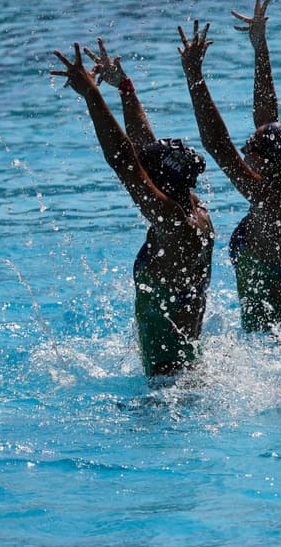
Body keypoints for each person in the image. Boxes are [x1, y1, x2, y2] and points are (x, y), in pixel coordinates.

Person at [52, 41, 214, 376]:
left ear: (160, 182)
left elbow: (124, 161)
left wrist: (92, 95)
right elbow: (143, 150)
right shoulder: (191, 207)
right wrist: (124, 88)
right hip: (182, 373)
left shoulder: (172, 220)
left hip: (170, 387)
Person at [178, 0, 281, 333]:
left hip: (270, 345)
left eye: (251, 149)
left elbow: (218, 146)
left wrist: (194, 77)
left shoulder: (273, 204)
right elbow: (268, 121)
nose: (245, 147)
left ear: (266, 162)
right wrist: (260, 46)